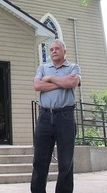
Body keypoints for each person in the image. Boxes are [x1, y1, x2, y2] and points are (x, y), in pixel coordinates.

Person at [31, 39, 81, 193]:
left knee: (66, 162)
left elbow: (72, 82)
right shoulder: (43, 67)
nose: (53, 51)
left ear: (64, 51)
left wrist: (50, 79)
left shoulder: (73, 67)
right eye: (51, 49)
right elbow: (37, 85)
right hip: (45, 117)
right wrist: (62, 82)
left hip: (65, 116)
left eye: (57, 48)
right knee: (40, 160)